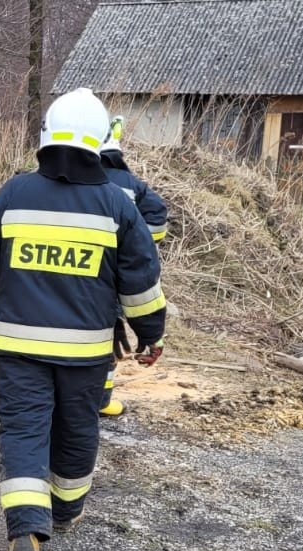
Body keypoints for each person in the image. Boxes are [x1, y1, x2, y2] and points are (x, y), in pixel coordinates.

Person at [0, 88, 167, 551]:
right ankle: (66, 511)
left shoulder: (13, 193)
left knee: (23, 429)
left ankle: (27, 524)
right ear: (100, 142)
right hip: (86, 352)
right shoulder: (117, 204)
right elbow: (141, 280)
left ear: (46, 137)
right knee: (77, 428)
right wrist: (150, 335)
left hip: (18, 345)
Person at [98, 115, 171, 417]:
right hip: (114, 274)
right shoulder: (130, 184)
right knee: (107, 337)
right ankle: (101, 401)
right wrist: (133, 238)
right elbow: (158, 219)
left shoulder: (52, 181)